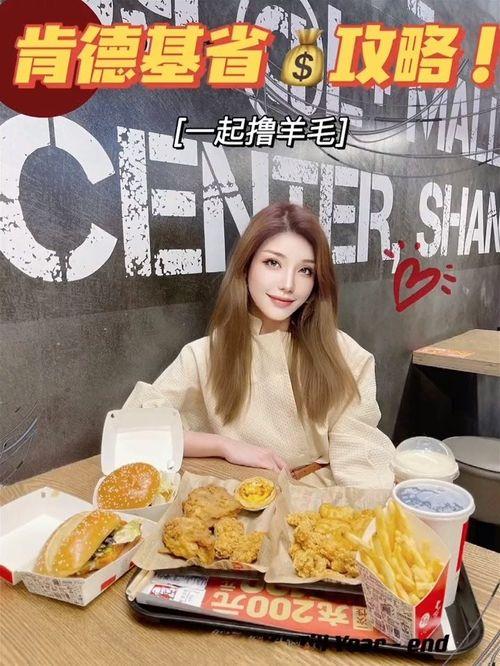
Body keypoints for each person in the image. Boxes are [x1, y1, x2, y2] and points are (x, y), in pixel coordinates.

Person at [124, 202, 395, 488]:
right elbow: (133, 431)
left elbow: (360, 451)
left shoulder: (343, 353)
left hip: (325, 498)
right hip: (241, 499)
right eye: (273, 263)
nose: (288, 284)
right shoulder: (205, 355)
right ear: (246, 266)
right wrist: (224, 446)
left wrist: (366, 508)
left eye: (305, 270)